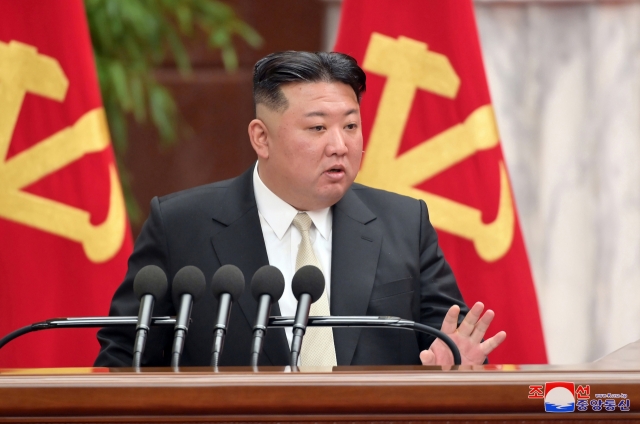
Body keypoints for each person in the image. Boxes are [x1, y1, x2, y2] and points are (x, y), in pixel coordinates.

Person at [95, 51, 505, 367]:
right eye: (317, 128)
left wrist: (452, 365)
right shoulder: (181, 225)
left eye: (350, 125)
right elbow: (124, 359)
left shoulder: (404, 223)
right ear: (262, 138)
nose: (340, 145)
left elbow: (450, 344)